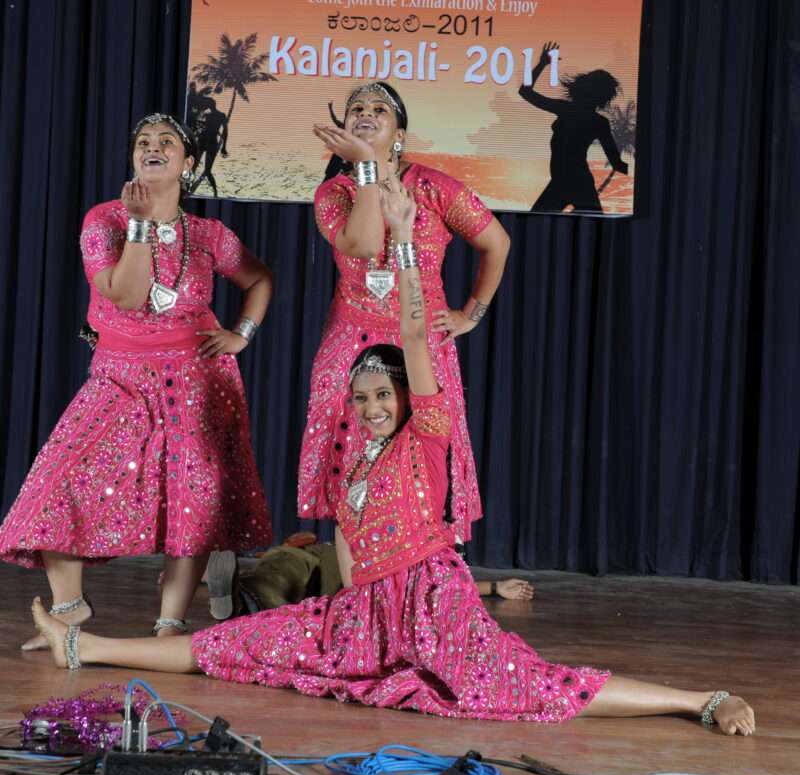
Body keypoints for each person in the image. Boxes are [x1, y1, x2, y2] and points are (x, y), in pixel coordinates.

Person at [30, 179, 754, 735]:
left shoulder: (427, 430)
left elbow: (413, 332)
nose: (372, 407)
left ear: (407, 397)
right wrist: (335, 610)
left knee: (529, 684)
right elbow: (351, 563)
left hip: (436, 607)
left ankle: (699, 698)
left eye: (383, 396)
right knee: (235, 644)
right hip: (364, 615)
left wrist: (405, 243)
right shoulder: (356, 467)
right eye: (362, 398)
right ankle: (82, 646)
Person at [2, 113, 273, 648]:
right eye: (143, 142)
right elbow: (125, 295)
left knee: (193, 499)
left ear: (187, 163)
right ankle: (70, 609)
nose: (153, 147)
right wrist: (142, 224)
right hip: (120, 376)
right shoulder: (104, 220)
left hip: (196, 379)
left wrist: (241, 333)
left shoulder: (208, 235)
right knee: (58, 482)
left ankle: (171, 623)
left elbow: (259, 278)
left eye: (166, 142)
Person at [299, 81, 511, 548]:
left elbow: (497, 243)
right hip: (350, 345)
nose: (365, 113)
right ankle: (357, 576)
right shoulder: (333, 193)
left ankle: (422, 573)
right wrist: (367, 168)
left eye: (380, 109)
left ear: (399, 134)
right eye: (357, 108)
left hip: (419, 345)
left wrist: (471, 315)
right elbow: (364, 244)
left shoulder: (435, 188)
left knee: (420, 461)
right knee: (353, 464)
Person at [204, 539, 533, 619]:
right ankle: (246, 605)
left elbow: (438, 585)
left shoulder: (422, 563)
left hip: (342, 582)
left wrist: (495, 586)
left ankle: (246, 605)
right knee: (278, 581)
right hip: (320, 562)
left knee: (280, 585)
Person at [519, 42, 628, 213]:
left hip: (571, 182)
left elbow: (525, 92)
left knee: (535, 219)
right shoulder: (597, 121)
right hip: (569, 182)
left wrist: (542, 64)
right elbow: (616, 162)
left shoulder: (569, 110)